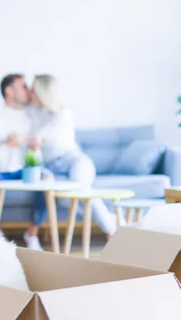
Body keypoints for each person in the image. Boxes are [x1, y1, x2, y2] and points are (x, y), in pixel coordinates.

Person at [29, 74, 117, 237]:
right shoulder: (36, 112)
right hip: (52, 168)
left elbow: (37, 140)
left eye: (33, 89)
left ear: (43, 92)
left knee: (82, 192)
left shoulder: (62, 113)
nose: (30, 92)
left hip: (74, 161)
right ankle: (110, 221)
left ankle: (111, 230)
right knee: (63, 198)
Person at [0, 73, 51, 251]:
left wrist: (29, 145)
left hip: (25, 170)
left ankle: (32, 234)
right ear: (9, 91)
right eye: (23, 86)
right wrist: (8, 145)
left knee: (47, 178)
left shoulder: (34, 116)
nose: (29, 90)